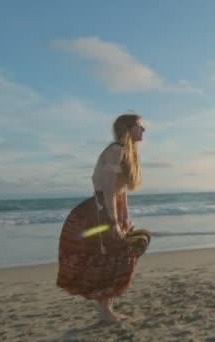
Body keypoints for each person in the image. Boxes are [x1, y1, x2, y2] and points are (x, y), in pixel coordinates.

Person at [57, 113, 151, 322]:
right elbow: (108, 190)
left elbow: (121, 191)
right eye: (139, 127)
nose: (143, 130)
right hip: (101, 209)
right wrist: (113, 221)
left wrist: (125, 218)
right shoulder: (116, 151)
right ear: (127, 129)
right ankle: (104, 312)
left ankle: (106, 309)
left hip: (111, 208)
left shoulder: (126, 153)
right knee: (108, 257)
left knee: (118, 256)